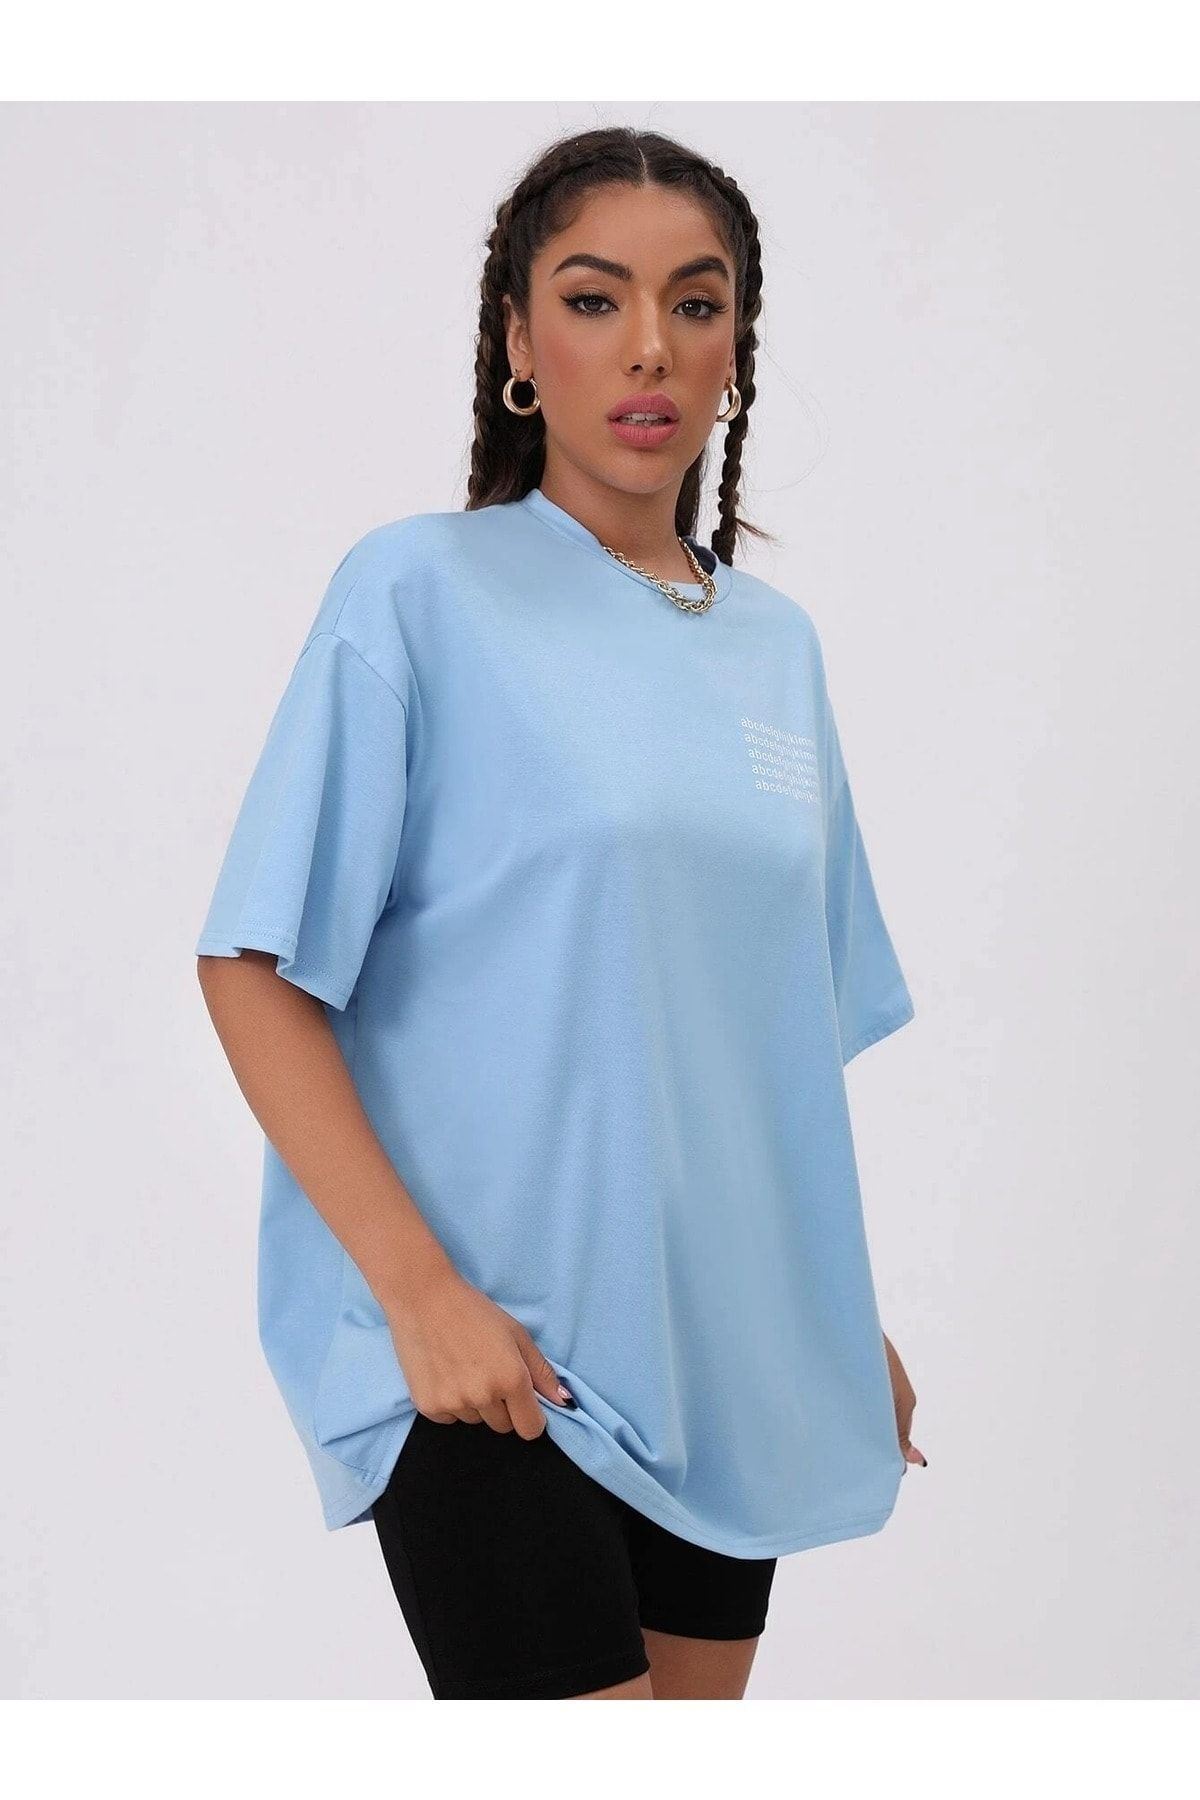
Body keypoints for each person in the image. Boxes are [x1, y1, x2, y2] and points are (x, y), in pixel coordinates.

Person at [194, 124, 927, 1703]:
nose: (649, 346)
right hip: (488, 1362)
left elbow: (764, 1044)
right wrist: (419, 1296)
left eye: (696, 303)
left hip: (720, 1370)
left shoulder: (778, 652)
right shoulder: (417, 593)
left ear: (738, 349)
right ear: (520, 344)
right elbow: (254, 966)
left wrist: (826, 1318)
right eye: (594, 300)